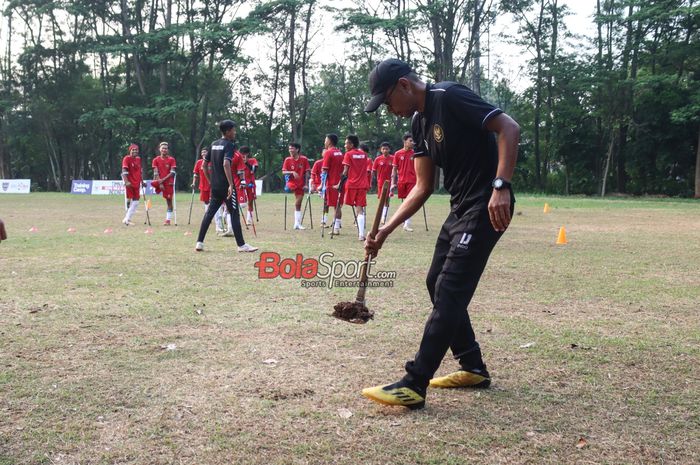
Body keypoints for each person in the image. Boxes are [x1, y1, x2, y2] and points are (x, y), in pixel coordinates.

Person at [361, 58, 519, 409]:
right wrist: (386, 230)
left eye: (387, 101)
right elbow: (422, 186)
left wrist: (501, 185)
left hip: (486, 204)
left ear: (404, 85)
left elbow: (508, 127)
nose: (389, 110)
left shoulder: (448, 97)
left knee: (449, 289)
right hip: (461, 208)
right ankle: (473, 366)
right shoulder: (418, 123)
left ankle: (414, 383)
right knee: (436, 281)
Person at [195, 120, 258, 253]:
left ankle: (199, 242)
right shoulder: (229, 145)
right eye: (234, 130)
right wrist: (230, 184)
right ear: (228, 131)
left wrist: (211, 181)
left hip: (215, 186)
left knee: (209, 214)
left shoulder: (213, 144)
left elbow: (203, 166)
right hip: (227, 187)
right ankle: (241, 245)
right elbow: (226, 164)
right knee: (234, 213)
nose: (235, 132)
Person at [340, 135, 370, 240]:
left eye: (346, 143)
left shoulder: (348, 154)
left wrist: (340, 182)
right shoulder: (364, 154)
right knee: (360, 208)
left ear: (351, 144)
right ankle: (361, 234)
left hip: (352, 184)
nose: (345, 145)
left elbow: (345, 171)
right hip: (362, 185)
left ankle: (336, 226)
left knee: (340, 204)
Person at [391, 133, 417, 232]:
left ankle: (407, 224)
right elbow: (394, 169)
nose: (412, 143)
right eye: (410, 141)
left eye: (413, 141)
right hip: (401, 180)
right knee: (404, 201)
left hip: (412, 180)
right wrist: (393, 182)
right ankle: (405, 219)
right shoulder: (398, 154)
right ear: (405, 142)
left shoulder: (415, 153)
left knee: (409, 201)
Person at [282, 143, 311, 230]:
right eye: (289, 149)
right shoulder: (287, 160)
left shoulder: (304, 159)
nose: (290, 150)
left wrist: (306, 184)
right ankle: (287, 187)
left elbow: (307, 173)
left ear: (297, 150)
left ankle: (297, 224)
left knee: (298, 204)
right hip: (291, 183)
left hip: (301, 184)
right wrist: (292, 172)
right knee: (290, 191)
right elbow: (283, 172)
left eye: (292, 149)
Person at [321, 134, 345, 233]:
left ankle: (336, 229)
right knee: (337, 205)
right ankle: (336, 227)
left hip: (332, 183)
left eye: (325, 140)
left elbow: (325, 170)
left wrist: (321, 185)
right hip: (340, 181)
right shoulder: (339, 152)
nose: (324, 142)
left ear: (330, 141)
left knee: (336, 205)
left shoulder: (328, 153)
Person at [151, 142, 177, 225]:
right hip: (159, 182)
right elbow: (155, 172)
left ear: (168, 150)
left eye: (166, 148)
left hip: (168, 183)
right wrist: (160, 183)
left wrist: (162, 180)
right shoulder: (155, 160)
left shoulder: (171, 159)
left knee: (169, 201)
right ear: (160, 149)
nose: (164, 150)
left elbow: (172, 172)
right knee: (152, 185)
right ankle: (157, 189)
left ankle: (168, 220)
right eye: (163, 148)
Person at [121, 143, 144, 226]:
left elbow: (139, 172)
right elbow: (124, 171)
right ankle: (127, 219)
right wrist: (126, 181)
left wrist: (142, 181)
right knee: (129, 200)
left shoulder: (138, 159)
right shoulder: (126, 158)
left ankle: (126, 219)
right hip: (129, 183)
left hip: (137, 183)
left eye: (136, 150)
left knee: (136, 201)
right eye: (133, 150)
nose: (135, 151)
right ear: (130, 151)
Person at [372, 142, 394, 223]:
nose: (385, 150)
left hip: (390, 182)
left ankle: (384, 217)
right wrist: (375, 179)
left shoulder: (393, 158)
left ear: (389, 149)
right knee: (381, 199)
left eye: (387, 149)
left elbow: (396, 170)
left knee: (386, 200)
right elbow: (373, 170)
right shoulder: (378, 159)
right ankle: (381, 216)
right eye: (383, 149)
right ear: (381, 150)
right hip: (381, 182)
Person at [239, 146, 257, 226]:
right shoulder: (238, 161)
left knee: (250, 201)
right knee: (241, 203)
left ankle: (249, 219)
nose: (243, 155)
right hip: (240, 184)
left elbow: (254, 170)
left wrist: (246, 162)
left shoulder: (253, 160)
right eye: (242, 153)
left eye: (245, 154)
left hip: (250, 184)